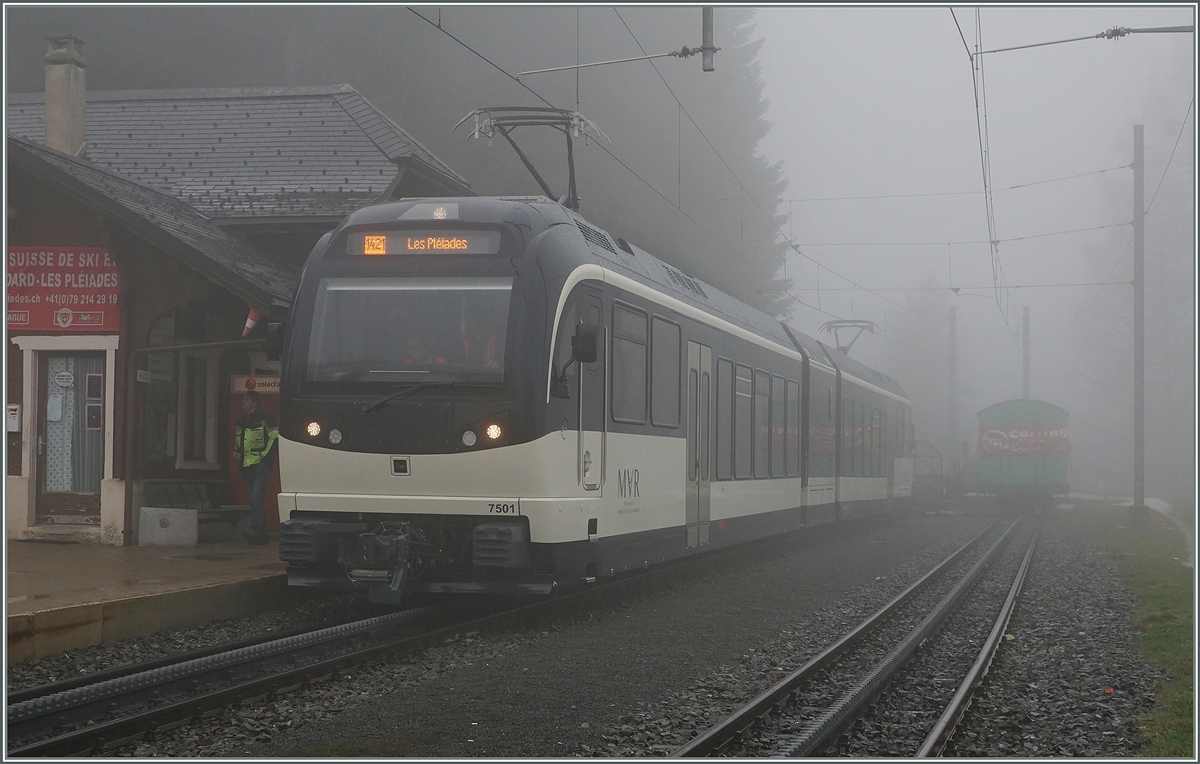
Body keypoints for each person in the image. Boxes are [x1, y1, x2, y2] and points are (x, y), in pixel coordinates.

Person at [233, 391, 278, 545]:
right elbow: (238, 443)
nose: (242, 402)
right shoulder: (240, 422)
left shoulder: (265, 418)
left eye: (246, 399)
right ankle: (261, 534)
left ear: (254, 402)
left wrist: (265, 458)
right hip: (247, 466)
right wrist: (236, 453)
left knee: (255, 497)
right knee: (254, 499)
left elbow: (274, 438)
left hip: (260, 465)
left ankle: (257, 531)